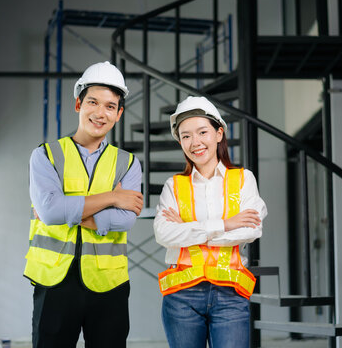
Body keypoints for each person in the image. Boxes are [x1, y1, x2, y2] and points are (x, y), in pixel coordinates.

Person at [24, 61, 143, 348]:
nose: (100, 113)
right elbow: (52, 213)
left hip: (109, 284)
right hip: (54, 281)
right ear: (78, 104)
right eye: (93, 102)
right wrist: (113, 198)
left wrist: (69, 210)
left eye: (110, 106)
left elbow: (127, 220)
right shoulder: (46, 156)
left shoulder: (128, 163)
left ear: (119, 114)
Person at [154, 96, 267, 348]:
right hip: (181, 295)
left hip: (230, 294)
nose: (195, 142)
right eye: (185, 136)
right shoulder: (173, 186)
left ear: (219, 133)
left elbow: (251, 229)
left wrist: (187, 228)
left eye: (202, 132)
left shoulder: (243, 179)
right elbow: (164, 235)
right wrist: (226, 224)